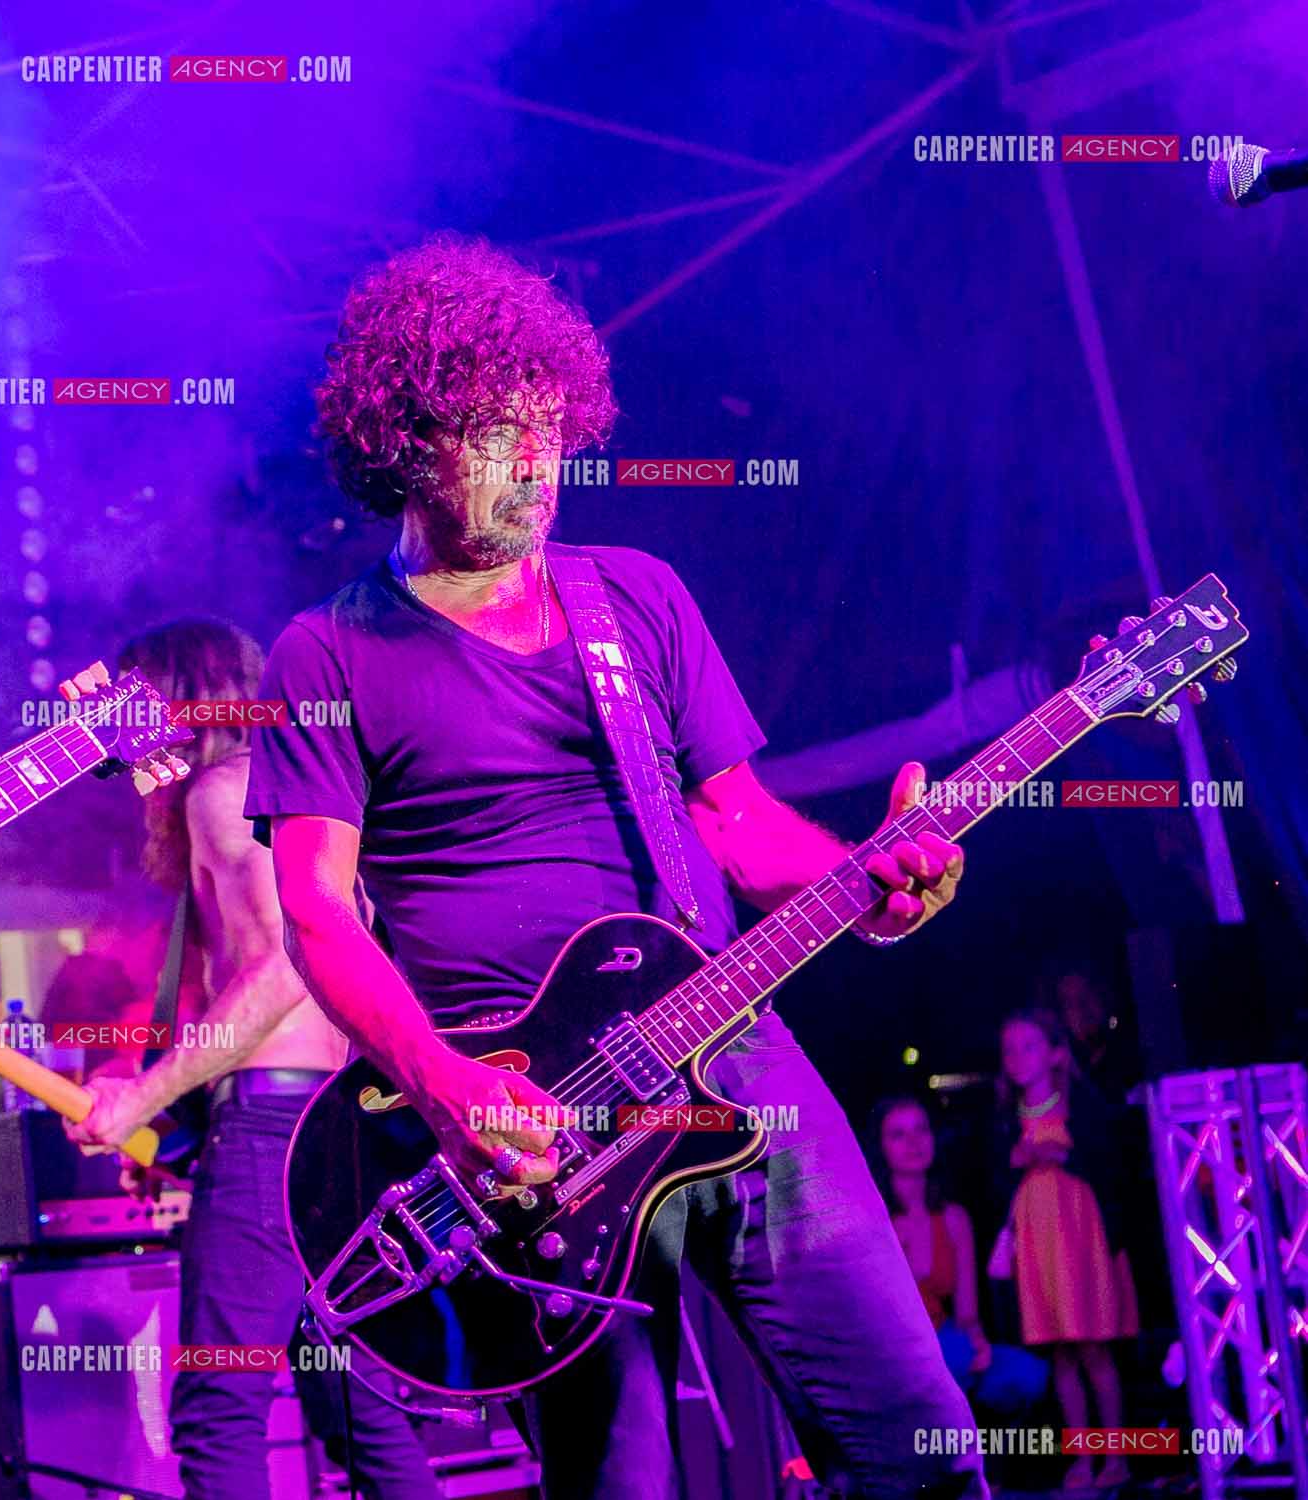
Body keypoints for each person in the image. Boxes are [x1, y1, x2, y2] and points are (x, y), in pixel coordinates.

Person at [245, 233, 983, 1499]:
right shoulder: (325, 654)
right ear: (408, 443)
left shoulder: (633, 600)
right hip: (523, 1128)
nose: (538, 468)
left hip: (730, 1051)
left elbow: (740, 826)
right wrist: (442, 1088)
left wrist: (872, 885)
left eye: (552, 431)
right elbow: (316, 910)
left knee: (918, 1443)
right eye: (496, 435)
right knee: (621, 1485)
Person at [64, 619, 438, 1499]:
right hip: (334, 1128)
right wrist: (181, 1114)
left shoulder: (223, 794)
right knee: (355, 1404)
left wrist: (146, 1092)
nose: (120, 722)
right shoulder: (284, 796)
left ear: (181, 697)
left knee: (218, 1406)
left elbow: (282, 970)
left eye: (135, 695)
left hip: (272, 1128)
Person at [991, 1010, 1137, 1491]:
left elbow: (1112, 1163)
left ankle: (1115, 1453)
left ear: (1055, 1052)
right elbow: (994, 1182)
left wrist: (1061, 1156)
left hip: (1082, 1238)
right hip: (1037, 1245)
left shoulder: (1082, 1105)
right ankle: (1081, 1456)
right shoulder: (1004, 1119)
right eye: (1009, 1049)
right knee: (1061, 1354)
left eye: (1028, 1046)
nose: (1016, 1058)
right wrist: (1017, 1160)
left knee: (1093, 1346)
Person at [868, 1096, 1046, 1416]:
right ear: (881, 1147)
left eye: (921, 1130)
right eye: (898, 1135)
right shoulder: (873, 1221)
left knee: (1026, 1374)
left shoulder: (954, 1218)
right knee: (953, 1357)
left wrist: (978, 1342)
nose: (914, 1142)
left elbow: (967, 1313)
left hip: (945, 1342)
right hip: (891, 1352)